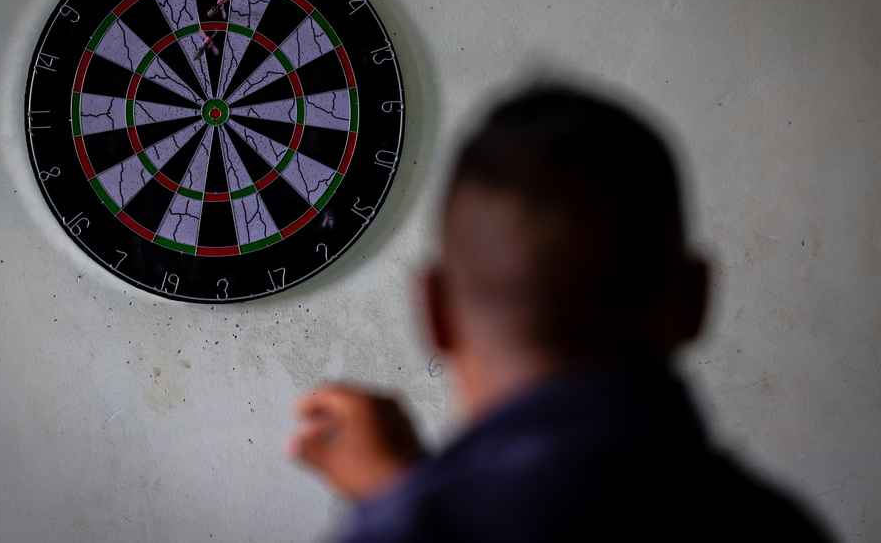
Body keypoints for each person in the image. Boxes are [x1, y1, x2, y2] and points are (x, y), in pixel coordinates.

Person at [287, 84, 831, 541]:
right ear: (697, 300)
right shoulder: (782, 527)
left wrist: (400, 501)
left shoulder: (407, 527)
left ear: (434, 310)